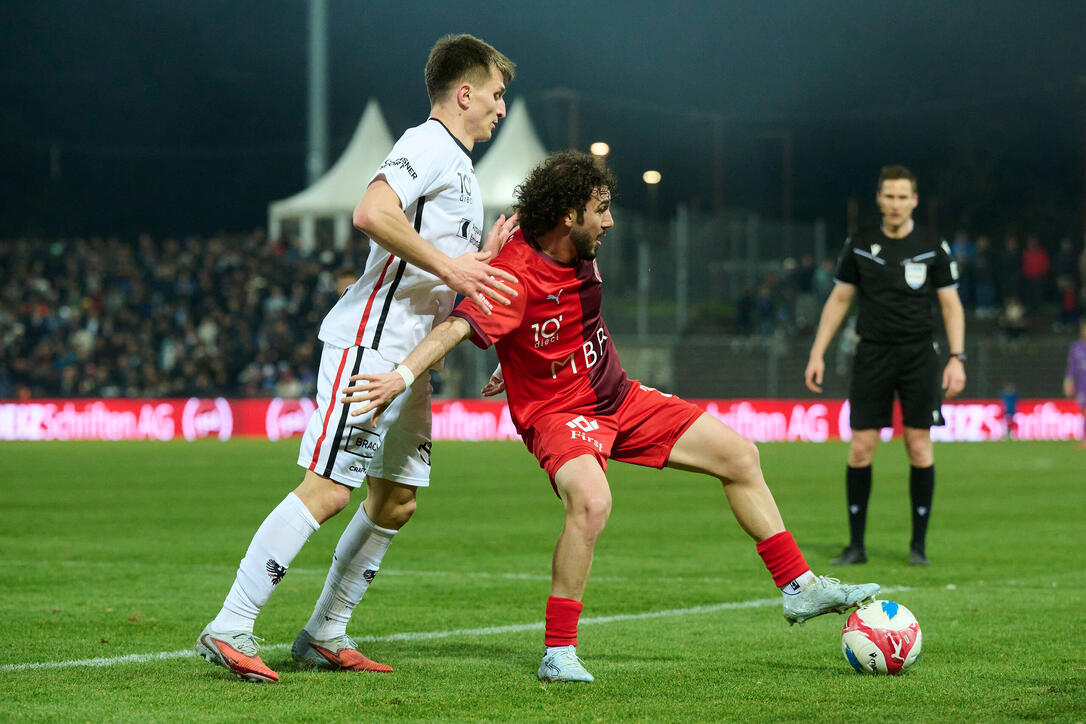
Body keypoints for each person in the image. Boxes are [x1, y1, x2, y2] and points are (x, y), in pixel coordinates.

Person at [342, 151, 879, 684]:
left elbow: (554, 320)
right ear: (568, 214)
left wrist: (520, 355)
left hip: (617, 396)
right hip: (557, 414)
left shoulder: (578, 249)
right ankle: (558, 651)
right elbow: (457, 328)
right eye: (601, 209)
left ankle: (798, 587)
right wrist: (402, 376)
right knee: (593, 501)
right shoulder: (514, 271)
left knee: (740, 455)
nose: (610, 221)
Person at [196, 34, 519, 683]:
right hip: (373, 345)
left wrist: (475, 257)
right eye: (496, 94)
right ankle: (232, 622)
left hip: (412, 360)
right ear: (464, 93)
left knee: (397, 499)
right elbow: (372, 211)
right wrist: (453, 265)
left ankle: (324, 631)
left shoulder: (460, 169)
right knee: (329, 487)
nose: (502, 109)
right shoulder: (427, 144)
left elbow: (438, 269)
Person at [804, 165, 966, 567]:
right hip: (872, 353)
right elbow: (840, 299)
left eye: (902, 197)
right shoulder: (860, 243)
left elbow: (950, 304)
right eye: (888, 196)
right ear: (879, 199)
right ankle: (856, 546)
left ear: (913, 200)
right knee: (861, 448)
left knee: (918, 445)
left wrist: (957, 358)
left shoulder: (933, 245)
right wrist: (817, 352)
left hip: (918, 356)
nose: (895, 204)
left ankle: (918, 547)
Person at [1064, 320, 1086, 448]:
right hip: (1082, 384)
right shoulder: (1076, 347)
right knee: (1083, 411)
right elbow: (1071, 367)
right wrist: (1068, 382)